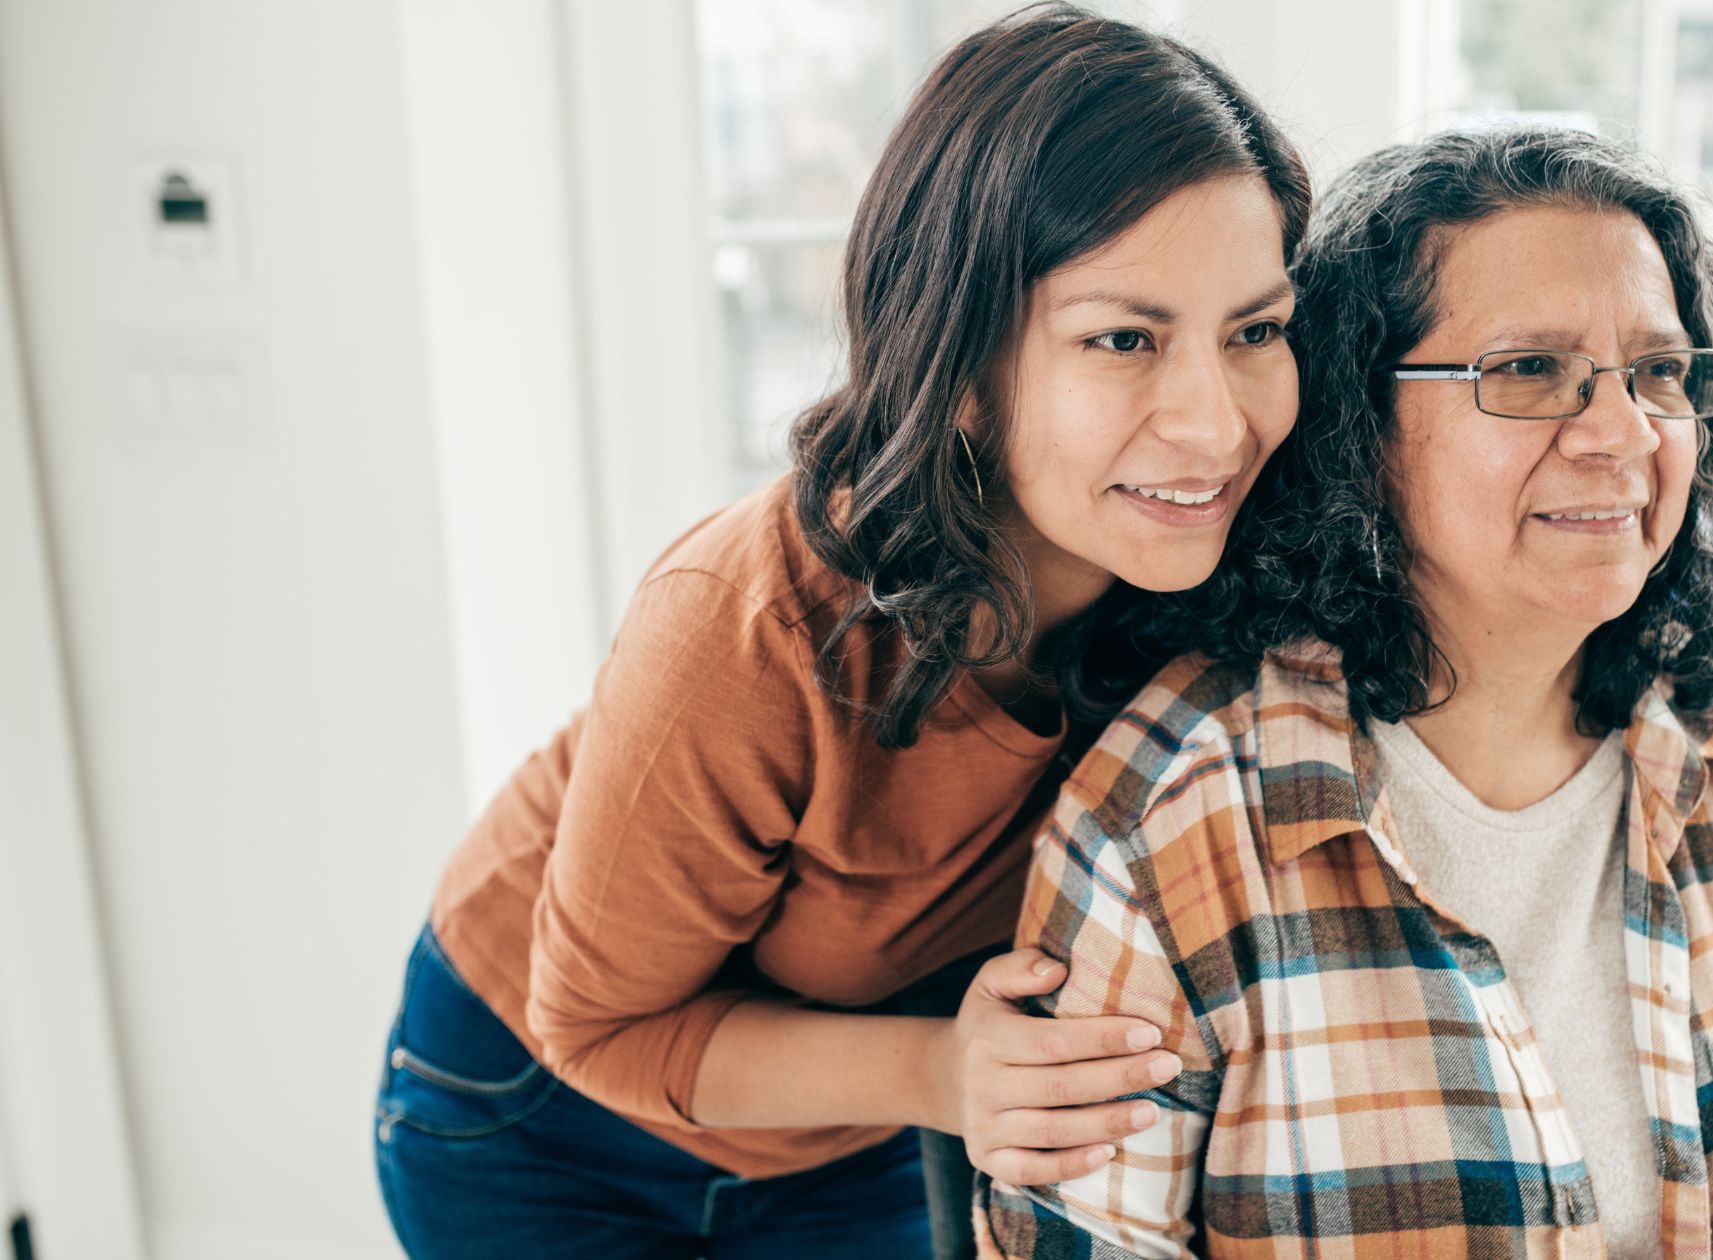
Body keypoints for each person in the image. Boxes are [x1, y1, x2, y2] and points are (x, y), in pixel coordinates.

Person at [372, 8, 1311, 1257]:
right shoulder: (745, 626)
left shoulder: (1225, 582)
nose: (1215, 423)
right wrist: (940, 1076)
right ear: (960, 361)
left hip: (849, 1115)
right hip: (539, 1113)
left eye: (1253, 330)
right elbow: (598, 1028)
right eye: (1123, 339)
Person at [981, 127, 1713, 1259]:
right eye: (1527, 370)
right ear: (1359, 424)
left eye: (1656, 372)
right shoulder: (1165, 824)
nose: (1620, 433)